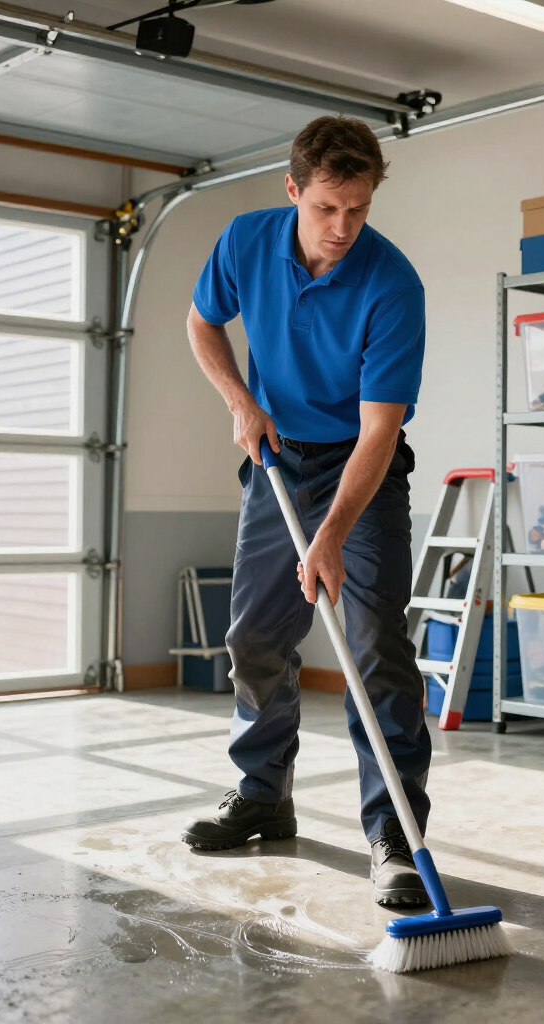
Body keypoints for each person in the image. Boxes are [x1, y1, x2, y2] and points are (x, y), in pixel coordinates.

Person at [182, 115, 431, 907]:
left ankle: (394, 833)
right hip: (277, 459)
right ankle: (263, 793)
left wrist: (330, 537)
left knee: (373, 647)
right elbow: (201, 323)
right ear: (294, 190)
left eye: (358, 209)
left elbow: (380, 431)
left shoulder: (393, 284)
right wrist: (240, 399)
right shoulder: (246, 241)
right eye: (327, 207)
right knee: (253, 633)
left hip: (364, 469)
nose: (343, 227)